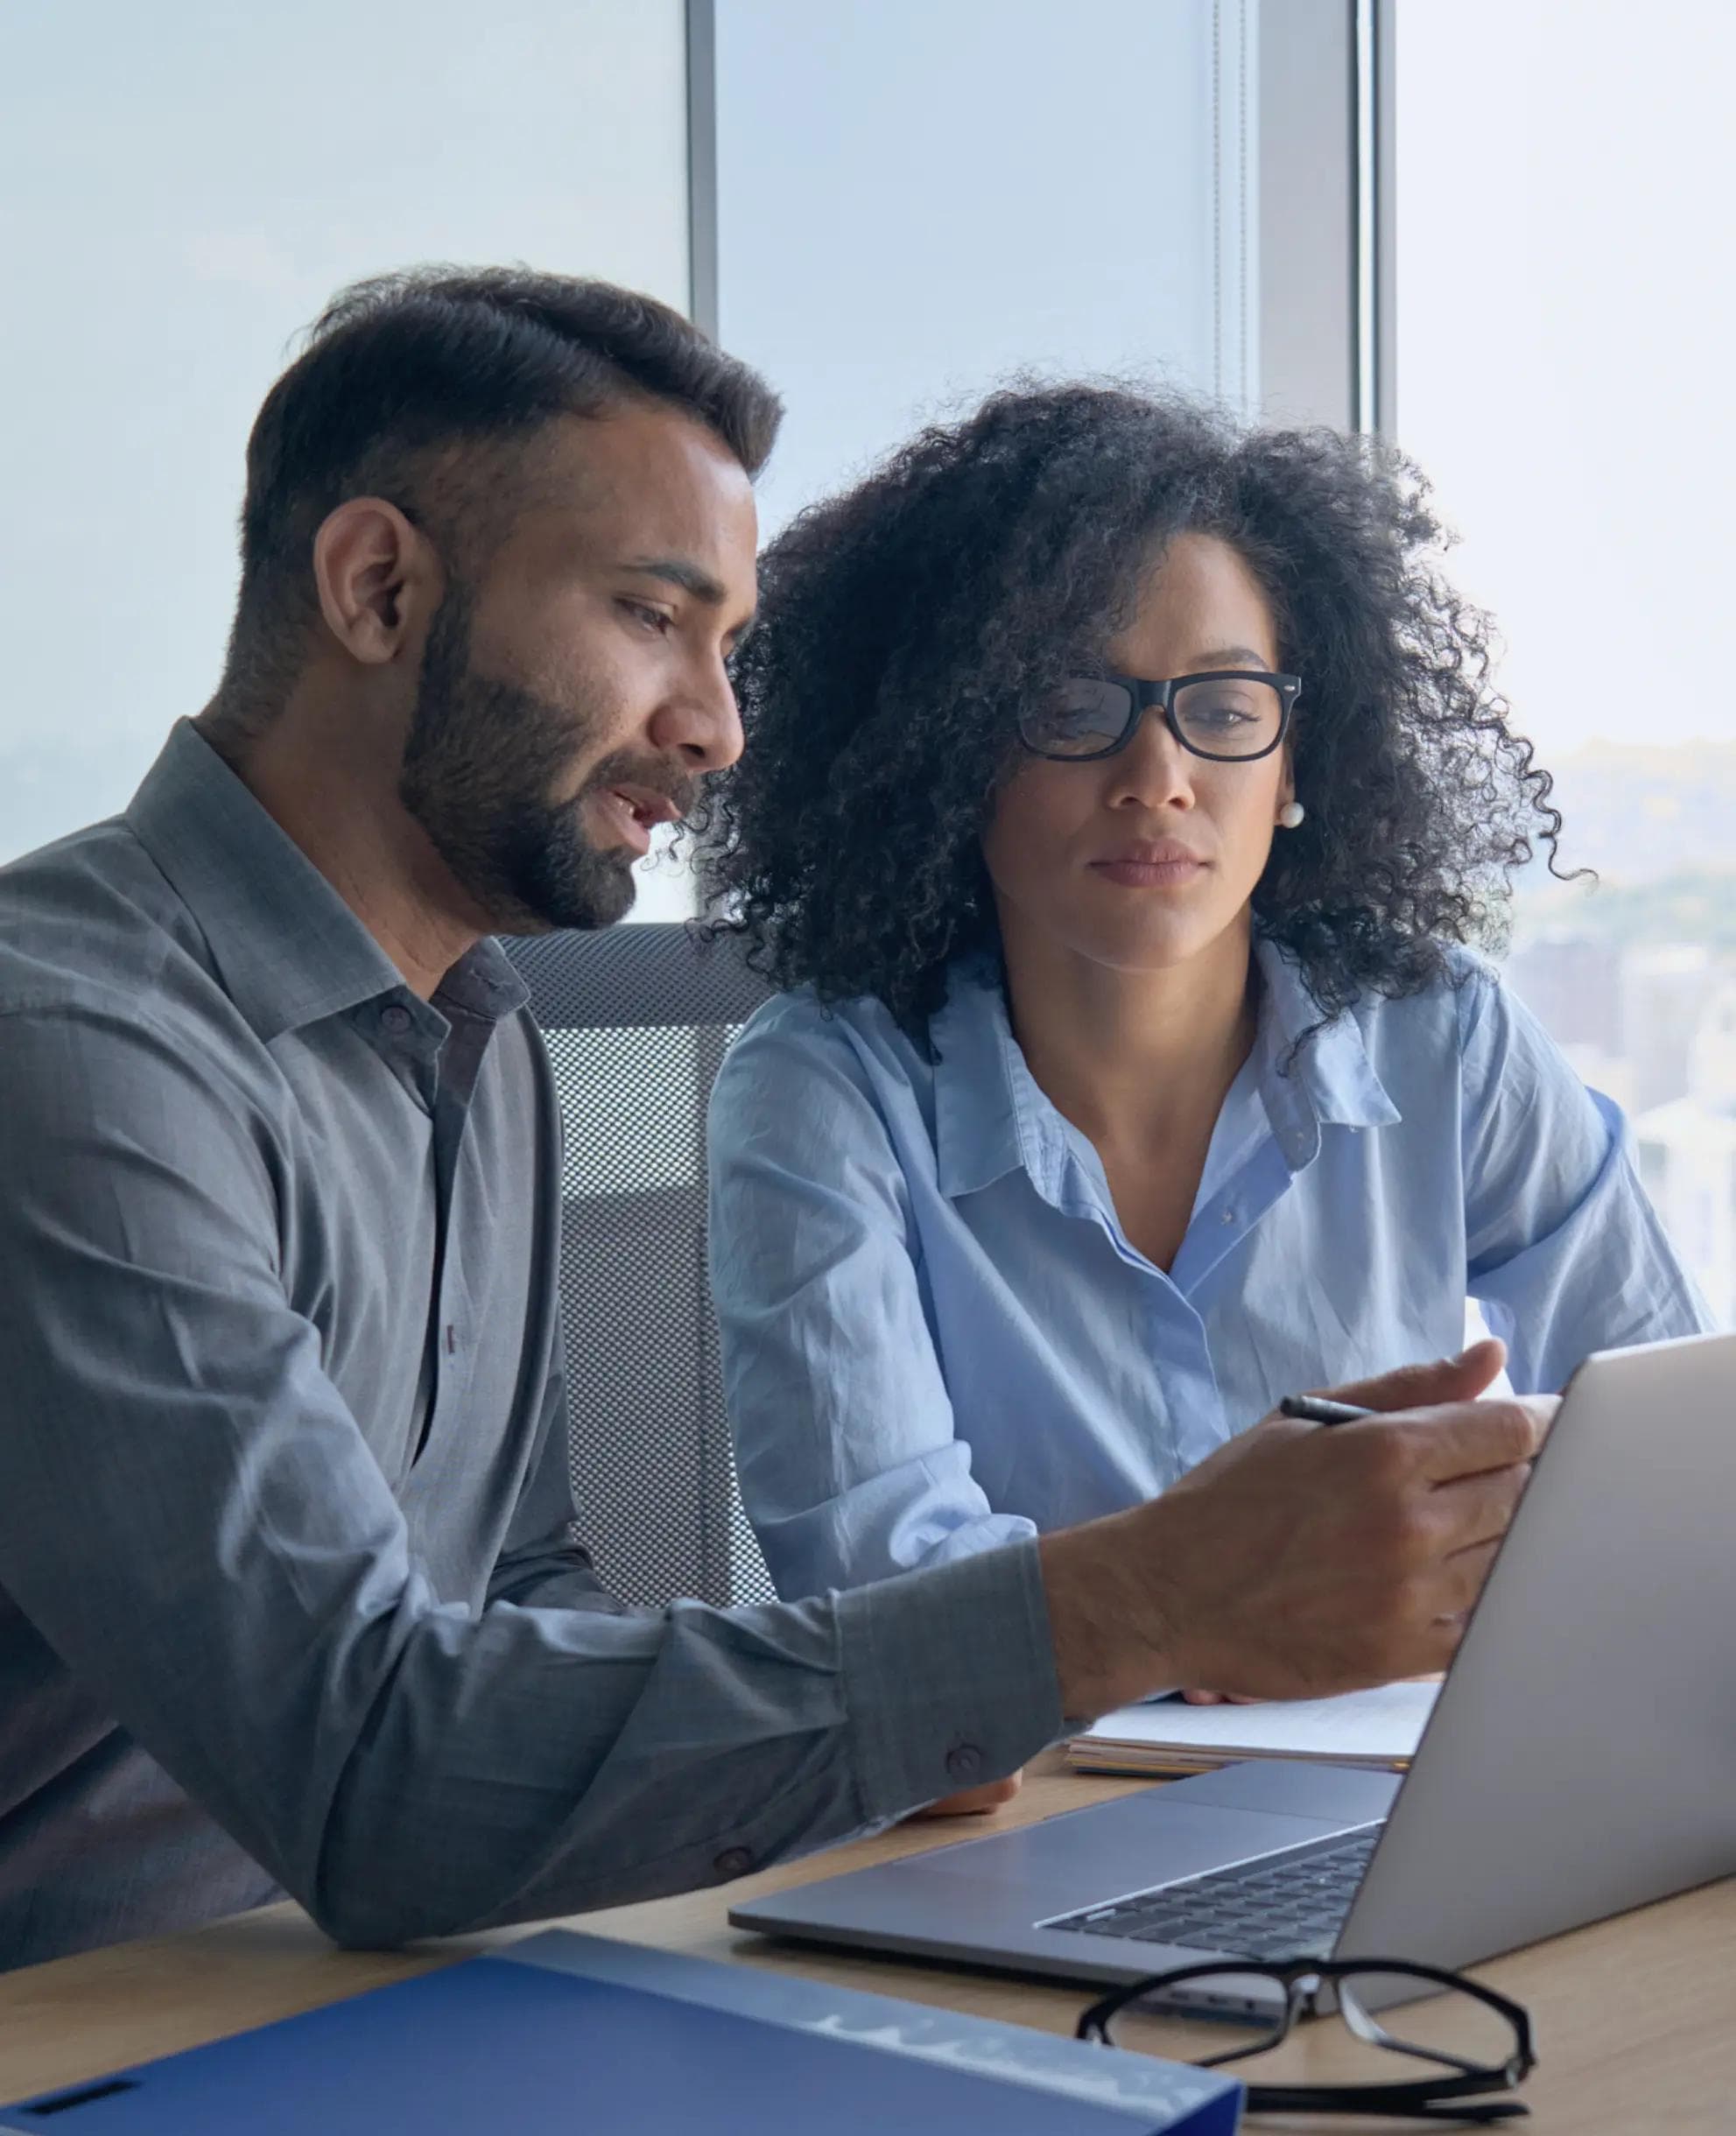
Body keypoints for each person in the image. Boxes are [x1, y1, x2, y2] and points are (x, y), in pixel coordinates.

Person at [0, 275, 1547, 1976]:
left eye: (725, 646)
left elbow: (520, 1595)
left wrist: (862, 1730)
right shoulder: (72, 1054)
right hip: (94, 2026)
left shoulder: (481, 1035)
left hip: (371, 1990)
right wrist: (1123, 1605)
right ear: (377, 587)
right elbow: (374, 1768)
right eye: (650, 617)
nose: (716, 728)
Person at [703, 383, 1709, 1655]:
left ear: (1297, 766)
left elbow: (1668, 1455)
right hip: (1029, 1817)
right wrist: (1212, 1620)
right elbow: (894, 1615)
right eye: (1074, 708)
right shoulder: (822, 1091)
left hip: (1393, 1771)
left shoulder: (1443, 1036)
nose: (1159, 780)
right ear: (956, 752)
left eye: (1226, 712)